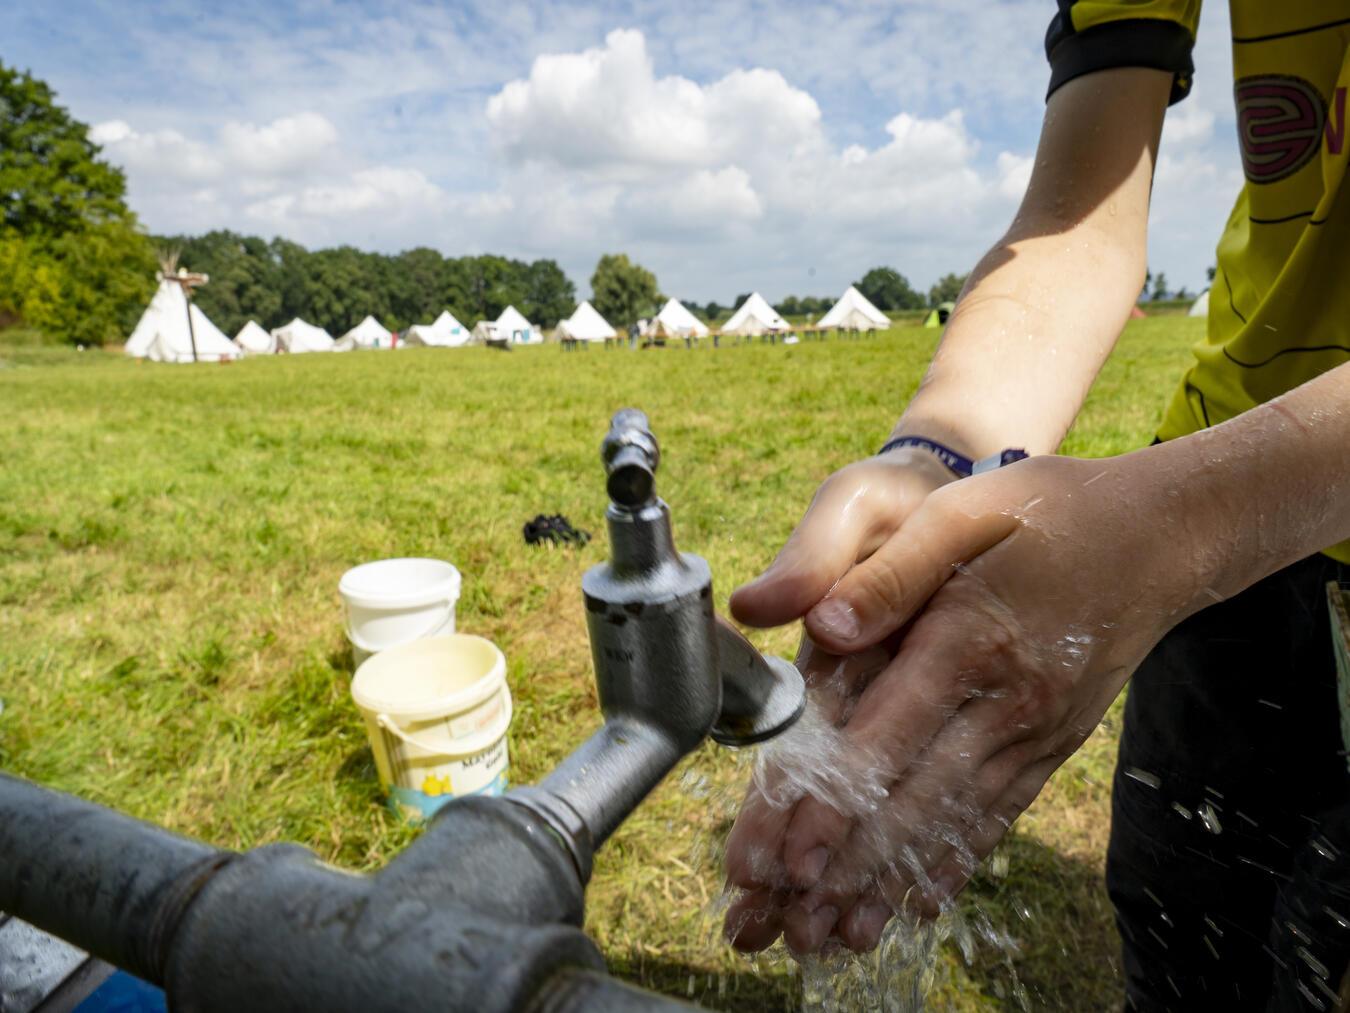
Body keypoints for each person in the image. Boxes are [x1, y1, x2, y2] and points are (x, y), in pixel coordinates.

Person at [721, 3, 1350, 1008]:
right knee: (1181, 932)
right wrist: (937, 455)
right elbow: (1076, 220)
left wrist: (1172, 526)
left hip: (1216, 503)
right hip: (1227, 490)